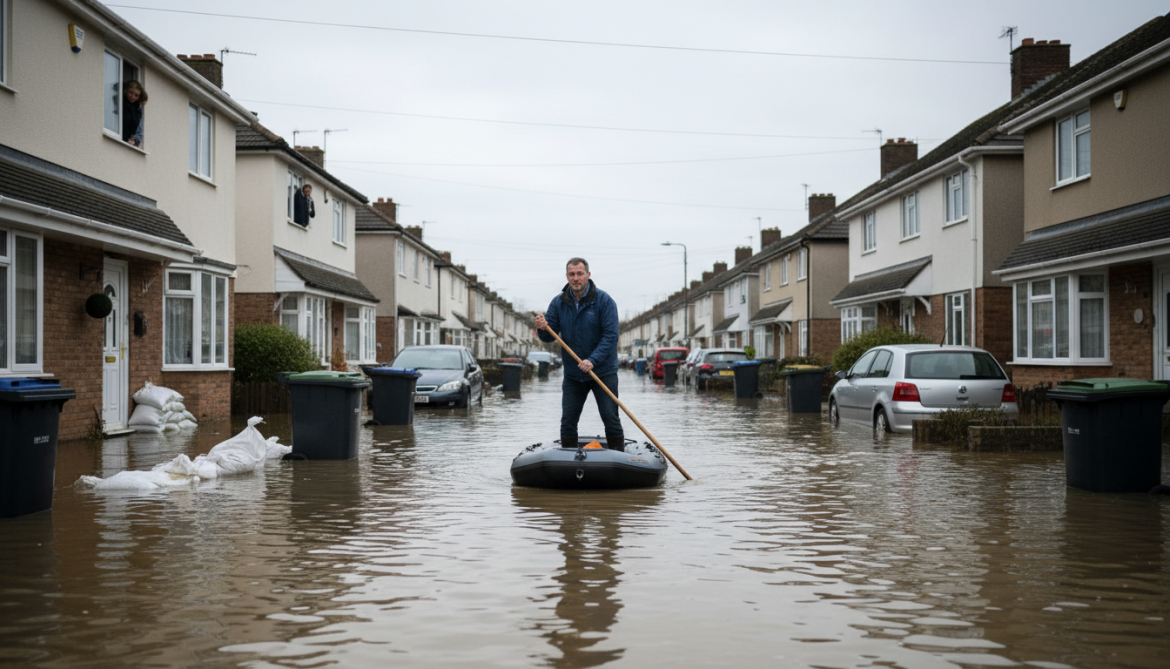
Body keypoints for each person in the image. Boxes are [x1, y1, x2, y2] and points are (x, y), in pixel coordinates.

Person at [535, 258, 624, 451]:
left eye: (580, 274)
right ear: (567, 276)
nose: (576, 278)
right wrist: (542, 328)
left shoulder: (605, 301)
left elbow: (611, 337)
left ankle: (618, 459)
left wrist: (592, 360)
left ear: (588, 275)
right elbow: (549, 337)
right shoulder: (558, 303)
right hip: (574, 374)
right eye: (572, 274)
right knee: (568, 420)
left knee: (611, 418)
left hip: (603, 372)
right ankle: (568, 459)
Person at [122, 80, 148, 147]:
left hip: (128, 142)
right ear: (126, 91)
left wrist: (134, 142)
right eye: (130, 93)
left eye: (136, 95)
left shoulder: (138, 109)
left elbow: (139, 131)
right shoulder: (119, 102)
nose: (133, 97)